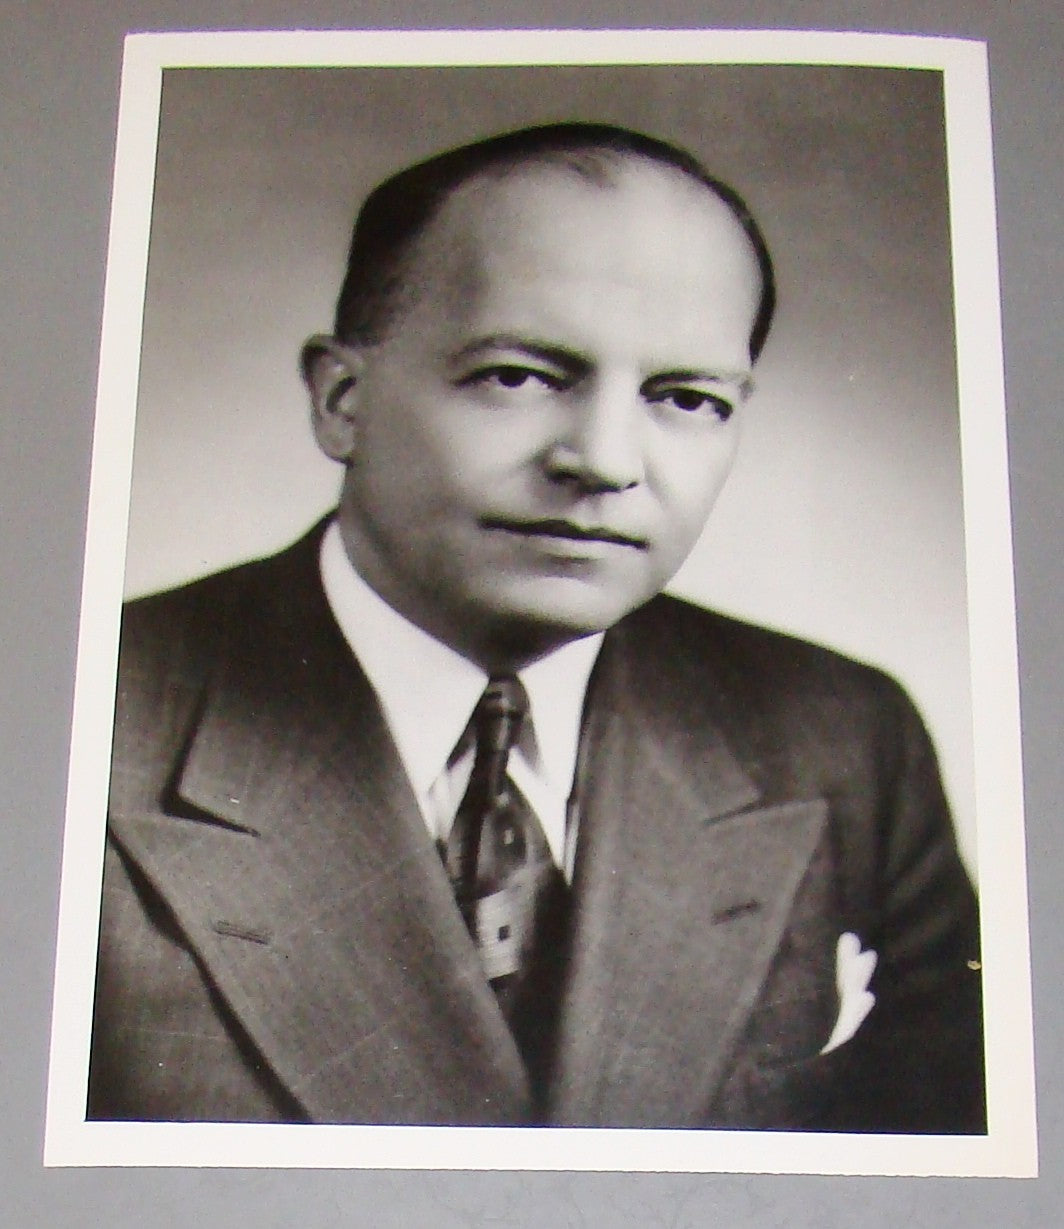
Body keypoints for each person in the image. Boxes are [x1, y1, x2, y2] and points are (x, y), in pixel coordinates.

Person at [86, 122, 985, 1132]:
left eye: (684, 397)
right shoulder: (74, 728)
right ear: (342, 399)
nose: (603, 460)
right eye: (517, 376)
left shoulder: (843, 736)